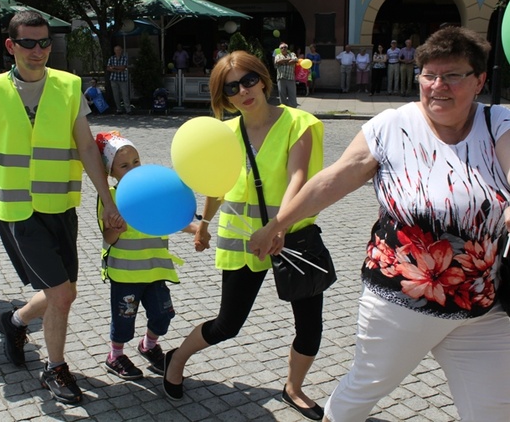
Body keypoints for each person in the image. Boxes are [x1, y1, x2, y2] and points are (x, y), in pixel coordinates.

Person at [249, 26, 510, 422]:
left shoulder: (499, 123)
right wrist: (278, 225)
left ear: (479, 81)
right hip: (401, 301)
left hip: (482, 304)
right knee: (364, 388)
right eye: (429, 75)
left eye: (453, 75)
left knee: (495, 407)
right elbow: (334, 178)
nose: (438, 85)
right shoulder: (392, 126)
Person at [0, 11, 122, 404]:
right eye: (28, 42)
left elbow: (84, 146)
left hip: (60, 206)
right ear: (11, 45)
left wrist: (108, 199)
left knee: (66, 292)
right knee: (61, 294)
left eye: (44, 42)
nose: (38, 50)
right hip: (16, 211)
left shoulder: (69, 85)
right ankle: (54, 370)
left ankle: (14, 320)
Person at [163, 51, 327, 421]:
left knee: (310, 324)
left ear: (264, 79)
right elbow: (217, 186)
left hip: (293, 236)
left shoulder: (299, 123)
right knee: (228, 324)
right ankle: (176, 358)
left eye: (248, 80)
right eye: (231, 87)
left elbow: (298, 178)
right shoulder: (225, 134)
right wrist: (203, 225)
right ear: (225, 96)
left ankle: (294, 388)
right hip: (241, 237)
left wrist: (278, 227)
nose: (243, 91)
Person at [95, 131, 196, 380]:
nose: (132, 169)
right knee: (123, 319)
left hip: (156, 269)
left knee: (163, 314)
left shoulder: (152, 190)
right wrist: (114, 229)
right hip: (126, 273)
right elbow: (108, 238)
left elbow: (170, 217)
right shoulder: (111, 198)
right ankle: (115, 355)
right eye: (124, 165)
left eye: (136, 162)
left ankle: (148, 345)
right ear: (111, 171)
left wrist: (194, 228)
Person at [107, 45, 131, 115]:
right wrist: (117, 70)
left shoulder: (124, 58)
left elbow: (123, 67)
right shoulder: (111, 58)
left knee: (125, 95)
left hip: (123, 79)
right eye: (116, 50)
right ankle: (119, 109)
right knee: (116, 95)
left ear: (121, 51)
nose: (118, 51)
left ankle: (128, 110)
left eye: (119, 50)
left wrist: (114, 67)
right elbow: (108, 68)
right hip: (114, 79)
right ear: (114, 51)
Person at [274, 43, 298, 108]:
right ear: (280, 49)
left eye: (285, 47)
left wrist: (283, 61)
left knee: (292, 95)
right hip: (281, 78)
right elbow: (278, 61)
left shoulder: (292, 54)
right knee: (282, 95)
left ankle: (293, 109)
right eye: (282, 48)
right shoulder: (278, 55)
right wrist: (288, 60)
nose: (283, 49)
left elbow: (295, 60)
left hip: (290, 78)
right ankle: (284, 109)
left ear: (287, 48)